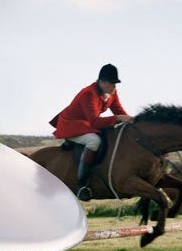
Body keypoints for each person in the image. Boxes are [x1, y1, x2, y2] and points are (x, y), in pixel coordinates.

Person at [50, 63, 133, 201]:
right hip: (71, 125)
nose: (114, 86)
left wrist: (131, 121)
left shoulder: (111, 93)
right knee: (94, 141)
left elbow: (119, 111)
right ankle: (82, 185)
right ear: (102, 82)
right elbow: (95, 121)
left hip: (86, 124)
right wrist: (118, 118)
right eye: (112, 83)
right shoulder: (89, 94)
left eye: (115, 83)